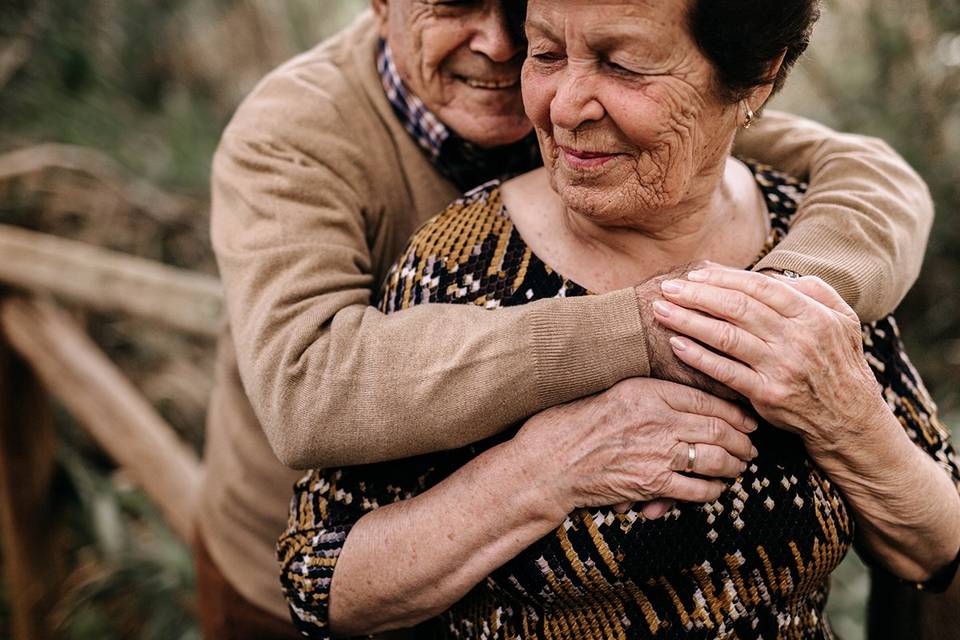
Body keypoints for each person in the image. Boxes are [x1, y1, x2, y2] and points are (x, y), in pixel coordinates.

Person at [199, 1, 936, 637]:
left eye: (519, 10)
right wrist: (654, 334)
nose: (497, 42)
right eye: (453, 4)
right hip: (284, 561)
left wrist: (776, 309)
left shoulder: (580, 78)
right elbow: (309, 389)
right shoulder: (295, 137)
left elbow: (866, 174)